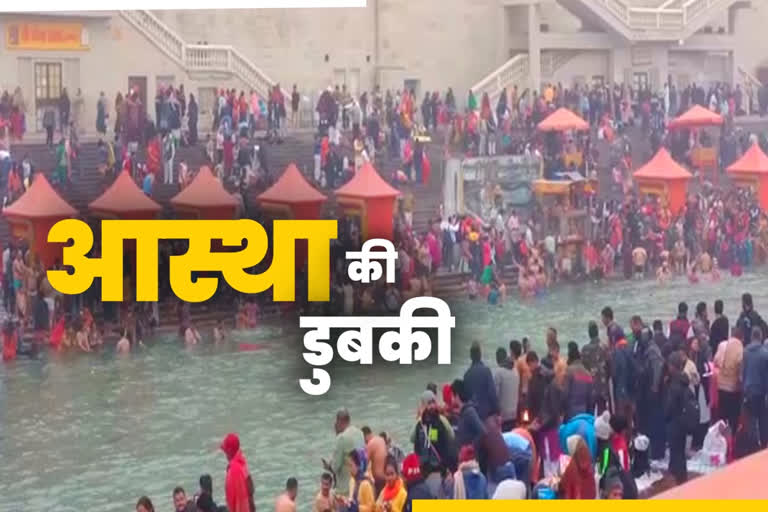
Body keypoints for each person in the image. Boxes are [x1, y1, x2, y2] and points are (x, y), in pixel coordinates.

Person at [665, 351, 691, 484]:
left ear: (673, 366)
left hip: (675, 423)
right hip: (683, 422)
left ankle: (680, 481)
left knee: (676, 453)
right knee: (680, 451)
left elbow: (669, 407)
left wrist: (665, 417)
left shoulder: (674, 385)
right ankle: (682, 477)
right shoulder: (684, 380)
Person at [742, 325, 768, 448]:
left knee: (751, 420)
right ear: (761, 336)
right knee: (763, 419)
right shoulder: (765, 353)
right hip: (761, 392)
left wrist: (744, 390)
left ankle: (752, 446)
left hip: (748, 391)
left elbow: (743, 372)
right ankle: (764, 444)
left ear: (752, 336)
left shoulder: (745, 352)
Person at [714, 326, 744, 431]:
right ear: (742, 338)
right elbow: (741, 371)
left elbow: (716, 361)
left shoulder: (723, 345)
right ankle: (731, 441)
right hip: (733, 389)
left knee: (722, 416)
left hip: (721, 385)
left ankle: (720, 439)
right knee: (733, 418)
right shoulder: (740, 348)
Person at [463, 342, 499, 421]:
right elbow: (492, 393)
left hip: (473, 416)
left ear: (471, 356)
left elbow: (465, 398)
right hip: (486, 415)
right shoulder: (486, 371)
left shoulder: (467, 375)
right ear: (480, 355)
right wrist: (497, 411)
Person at [330, 409, 365, 488]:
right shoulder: (360, 433)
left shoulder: (341, 438)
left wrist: (337, 435)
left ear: (339, 421)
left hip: (346, 488)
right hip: (360, 484)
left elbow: (335, 467)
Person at [221, 433, 255, 512]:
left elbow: (239, 501)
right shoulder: (242, 464)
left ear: (229, 451)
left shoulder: (234, 470)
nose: (225, 454)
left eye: (225, 451)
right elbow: (250, 490)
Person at [581, 321, 610, 413]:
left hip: (591, 386)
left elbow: (584, 369)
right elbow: (609, 365)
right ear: (597, 332)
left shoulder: (585, 349)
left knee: (590, 413)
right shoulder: (604, 347)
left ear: (589, 334)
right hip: (603, 385)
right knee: (602, 413)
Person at [564, 342, 594, 421]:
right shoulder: (588, 374)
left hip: (570, 413)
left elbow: (565, 394)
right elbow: (590, 399)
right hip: (584, 413)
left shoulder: (569, 371)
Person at [492, 347, 520, 431]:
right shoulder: (515, 371)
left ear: (497, 359)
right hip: (514, 414)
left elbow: (495, 396)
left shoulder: (498, 373)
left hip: (503, 417)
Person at [362, 426, 388, 495]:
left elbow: (364, 464)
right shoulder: (380, 439)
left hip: (380, 480)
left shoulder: (371, 444)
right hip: (386, 476)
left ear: (365, 436)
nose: (365, 442)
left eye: (364, 440)